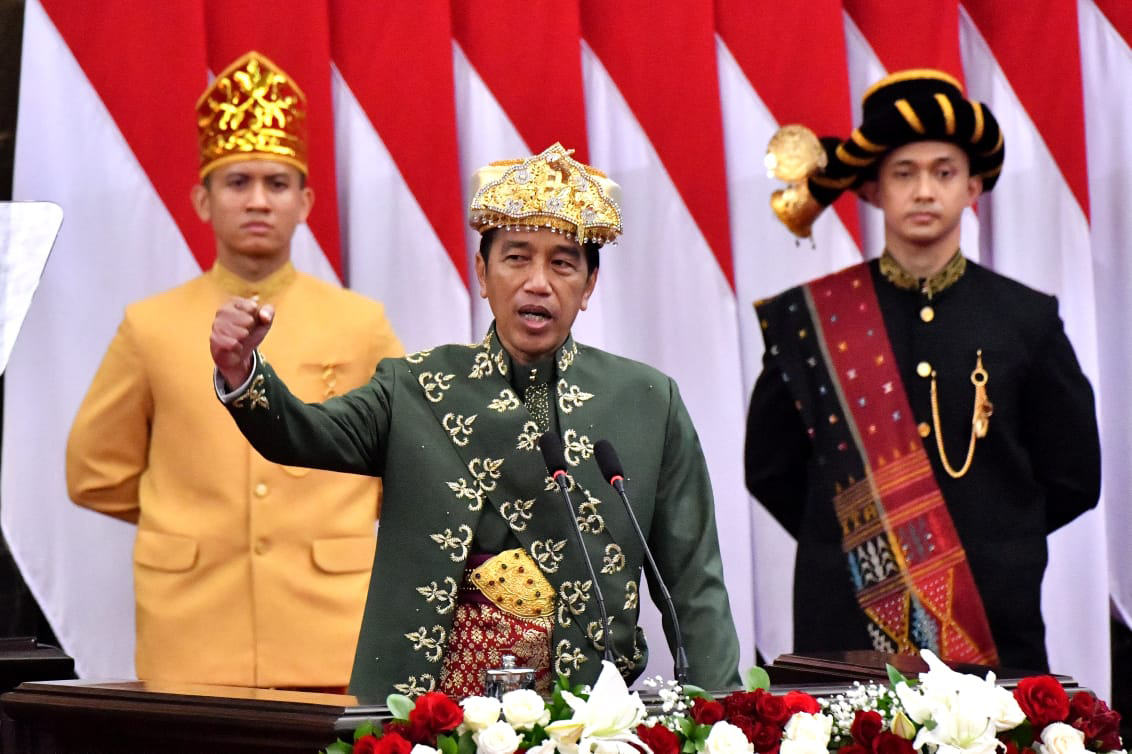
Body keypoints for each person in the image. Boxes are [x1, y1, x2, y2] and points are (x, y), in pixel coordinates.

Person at [210, 143, 741, 698]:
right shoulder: (415, 387)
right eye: (516, 257)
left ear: (588, 288)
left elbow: (693, 581)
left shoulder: (648, 401)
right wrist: (243, 371)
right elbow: (301, 434)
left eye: (563, 263)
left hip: (586, 718)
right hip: (428, 715)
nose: (539, 281)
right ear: (483, 275)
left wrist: (722, 712)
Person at [65, 51, 403, 689]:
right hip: (192, 630)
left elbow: (413, 456)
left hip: (330, 628)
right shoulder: (151, 325)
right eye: (237, 182)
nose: (258, 200)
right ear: (201, 198)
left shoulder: (360, 323)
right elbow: (94, 473)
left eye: (277, 184)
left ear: (305, 202)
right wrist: (186, 518)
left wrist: (340, 514)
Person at [746, 69, 1100, 672]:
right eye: (903, 173)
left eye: (944, 171)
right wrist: (858, 538)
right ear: (873, 190)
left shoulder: (1027, 318)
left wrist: (998, 536)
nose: (925, 191)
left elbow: (1074, 476)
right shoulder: (808, 321)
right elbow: (771, 469)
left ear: (974, 187)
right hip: (848, 621)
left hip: (992, 620)